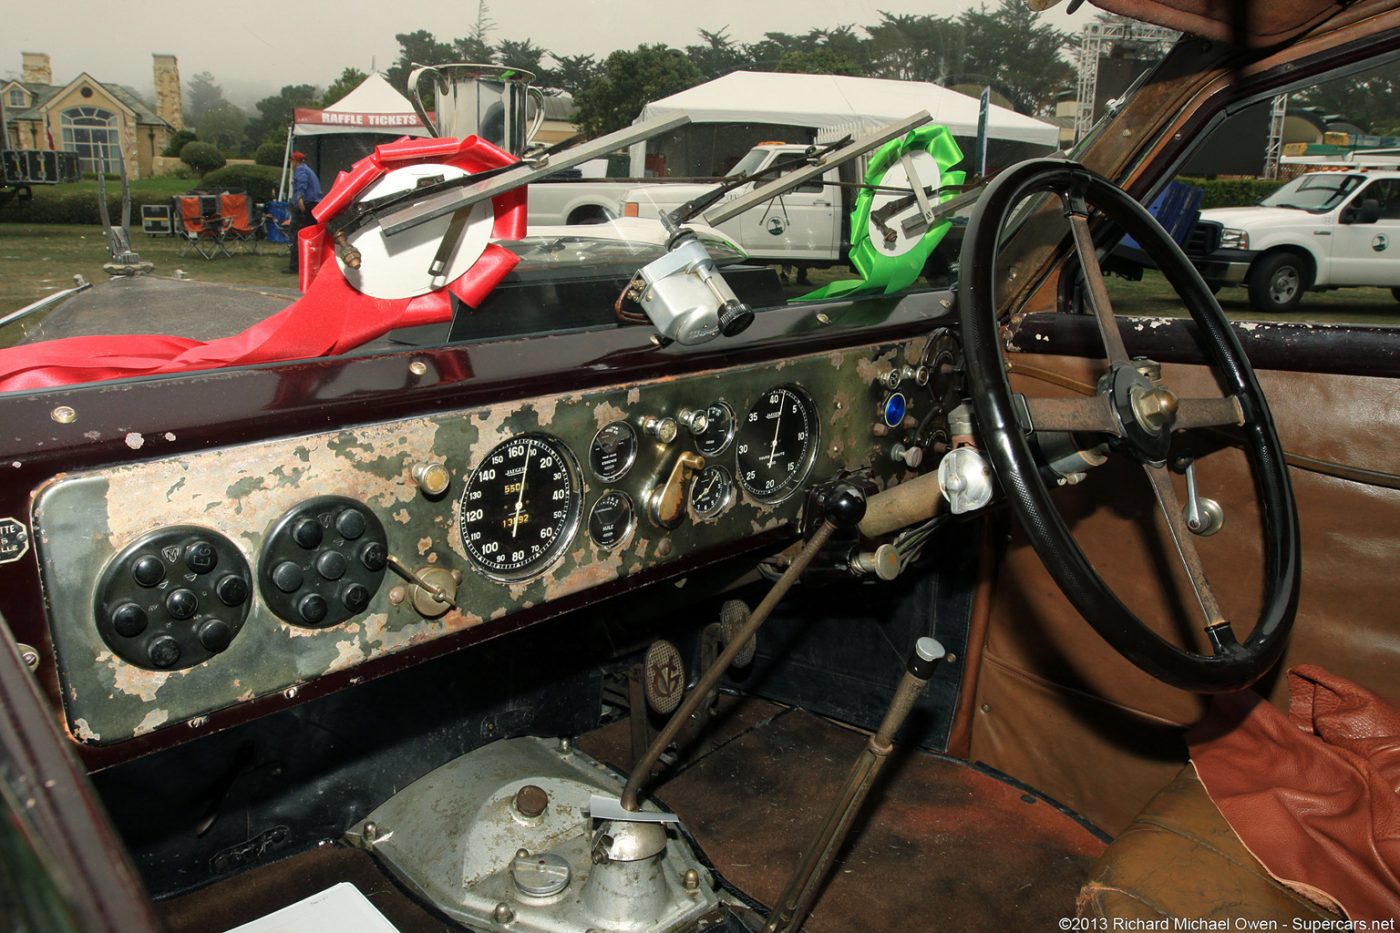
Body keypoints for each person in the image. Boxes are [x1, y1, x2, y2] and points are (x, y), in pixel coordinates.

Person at [286, 151, 323, 274]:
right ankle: (310, 264)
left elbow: (301, 184)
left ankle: (295, 266)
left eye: (292, 161)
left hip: (306, 205)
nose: (291, 163)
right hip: (314, 205)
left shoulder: (300, 170)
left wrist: (299, 198)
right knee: (310, 235)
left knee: (300, 235)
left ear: (295, 161)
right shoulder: (308, 170)